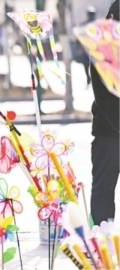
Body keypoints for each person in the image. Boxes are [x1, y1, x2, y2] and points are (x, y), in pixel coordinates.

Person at [90, 0, 119, 226]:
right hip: (109, 136)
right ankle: (104, 244)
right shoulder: (103, 54)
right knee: (103, 193)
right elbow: (105, 98)